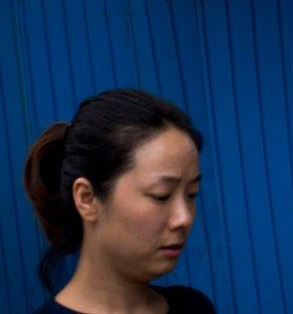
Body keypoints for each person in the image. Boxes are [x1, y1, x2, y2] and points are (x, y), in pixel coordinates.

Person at [23, 89, 215, 313]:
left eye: (192, 194)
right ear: (87, 198)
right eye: (161, 195)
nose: (184, 218)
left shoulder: (193, 307)